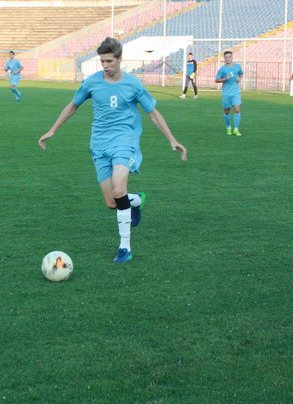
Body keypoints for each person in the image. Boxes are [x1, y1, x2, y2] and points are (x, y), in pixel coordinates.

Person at [38, 37, 187, 263]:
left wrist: (172, 139)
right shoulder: (91, 83)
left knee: (119, 189)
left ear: (119, 59)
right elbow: (73, 105)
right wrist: (52, 130)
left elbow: (153, 113)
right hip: (99, 145)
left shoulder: (133, 84)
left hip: (124, 141)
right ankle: (136, 200)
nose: (105, 65)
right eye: (102, 61)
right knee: (112, 202)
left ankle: (125, 248)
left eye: (109, 61)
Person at [215, 51, 243, 136]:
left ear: (232, 57)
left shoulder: (237, 66)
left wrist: (239, 78)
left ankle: (236, 129)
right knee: (227, 111)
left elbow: (241, 73)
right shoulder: (222, 69)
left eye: (229, 57)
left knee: (237, 109)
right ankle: (228, 127)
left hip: (235, 92)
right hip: (226, 93)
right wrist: (224, 79)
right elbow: (216, 80)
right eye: (226, 57)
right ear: (224, 58)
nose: (228, 58)